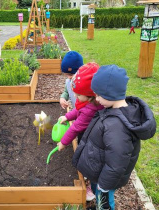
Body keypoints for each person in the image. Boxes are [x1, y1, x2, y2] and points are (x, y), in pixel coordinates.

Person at [72, 65, 156, 210]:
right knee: (100, 196)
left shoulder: (117, 127)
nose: (96, 99)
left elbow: (116, 164)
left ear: (110, 94)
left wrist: (104, 185)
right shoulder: (111, 110)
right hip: (99, 171)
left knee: (105, 200)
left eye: (98, 95)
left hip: (106, 180)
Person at [57, 62, 104, 202]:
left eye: (78, 95)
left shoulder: (90, 110)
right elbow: (78, 110)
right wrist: (67, 116)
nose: (76, 97)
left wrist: (64, 142)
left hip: (95, 139)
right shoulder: (88, 101)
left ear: (90, 95)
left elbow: (76, 127)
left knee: (91, 162)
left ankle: (92, 186)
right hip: (90, 133)